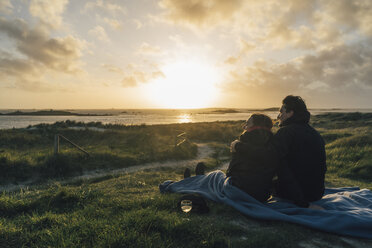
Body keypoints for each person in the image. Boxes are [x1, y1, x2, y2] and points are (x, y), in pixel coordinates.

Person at [233, 95, 326, 208]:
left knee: (261, 184)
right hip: (316, 193)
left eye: (281, 112)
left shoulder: (286, 133)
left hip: (299, 195)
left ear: (290, 113)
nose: (278, 116)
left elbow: (270, 159)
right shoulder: (315, 134)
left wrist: (239, 146)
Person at [227, 113, 278, 203]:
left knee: (216, 176)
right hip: (262, 195)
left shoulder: (243, 143)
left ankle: (199, 179)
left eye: (247, 123)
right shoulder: (273, 145)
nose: (244, 127)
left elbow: (231, 172)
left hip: (240, 192)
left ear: (256, 126)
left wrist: (237, 147)